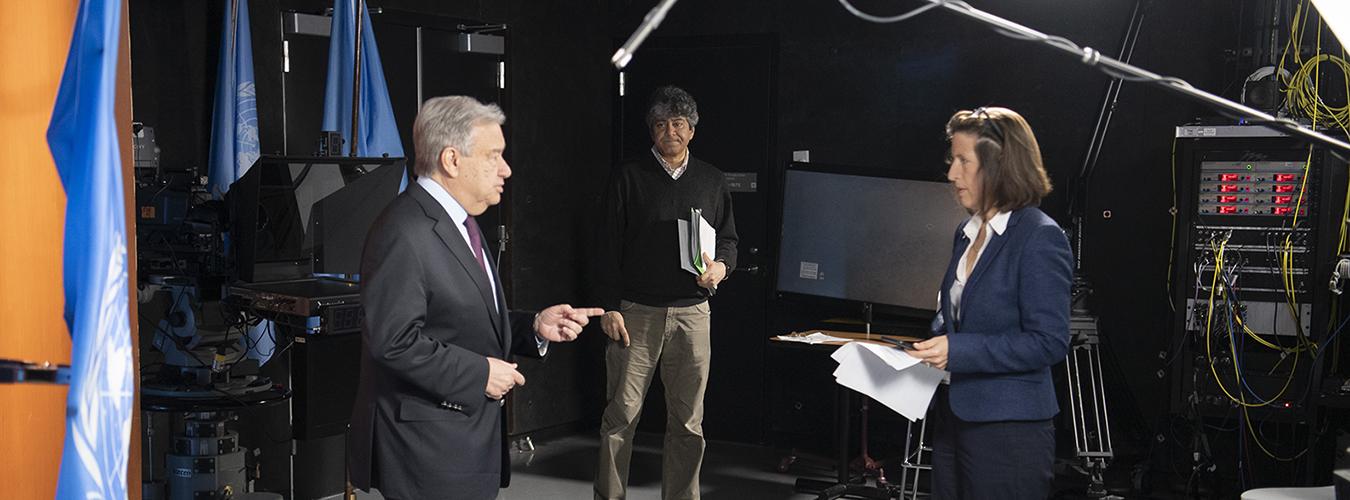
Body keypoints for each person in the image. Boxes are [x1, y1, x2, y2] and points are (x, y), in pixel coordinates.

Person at [348, 95, 603, 500]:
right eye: (494, 156)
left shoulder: (459, 220)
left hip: (462, 441)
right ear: (452, 160)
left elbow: (458, 318)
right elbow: (392, 342)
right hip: (428, 450)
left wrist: (532, 326)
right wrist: (481, 374)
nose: (506, 169)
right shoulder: (403, 231)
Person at [906, 106, 1072, 499]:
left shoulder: (1038, 237)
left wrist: (956, 350)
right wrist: (921, 349)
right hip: (955, 420)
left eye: (964, 161)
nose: (951, 174)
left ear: (999, 166)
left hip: (1010, 431)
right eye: (952, 160)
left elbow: (1048, 341)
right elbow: (960, 321)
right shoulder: (966, 234)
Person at [593, 85, 738, 500]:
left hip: (693, 315)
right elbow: (605, 247)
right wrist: (608, 306)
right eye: (660, 124)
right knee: (620, 415)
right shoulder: (628, 176)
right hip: (635, 312)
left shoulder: (711, 179)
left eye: (678, 123)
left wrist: (720, 268)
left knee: (689, 422)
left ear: (691, 130)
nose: (669, 131)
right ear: (651, 130)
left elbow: (728, 239)